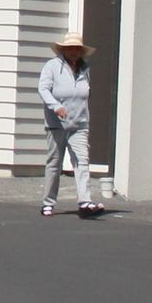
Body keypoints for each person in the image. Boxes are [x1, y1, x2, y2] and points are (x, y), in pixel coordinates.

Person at [39, 32, 97, 217]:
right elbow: (43, 89)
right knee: (54, 163)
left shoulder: (84, 68)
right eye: (70, 48)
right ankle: (48, 202)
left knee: (82, 161)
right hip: (57, 123)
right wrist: (56, 106)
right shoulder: (52, 66)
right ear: (63, 49)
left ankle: (85, 202)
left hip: (79, 123)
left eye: (77, 49)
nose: (73, 52)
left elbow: (86, 92)